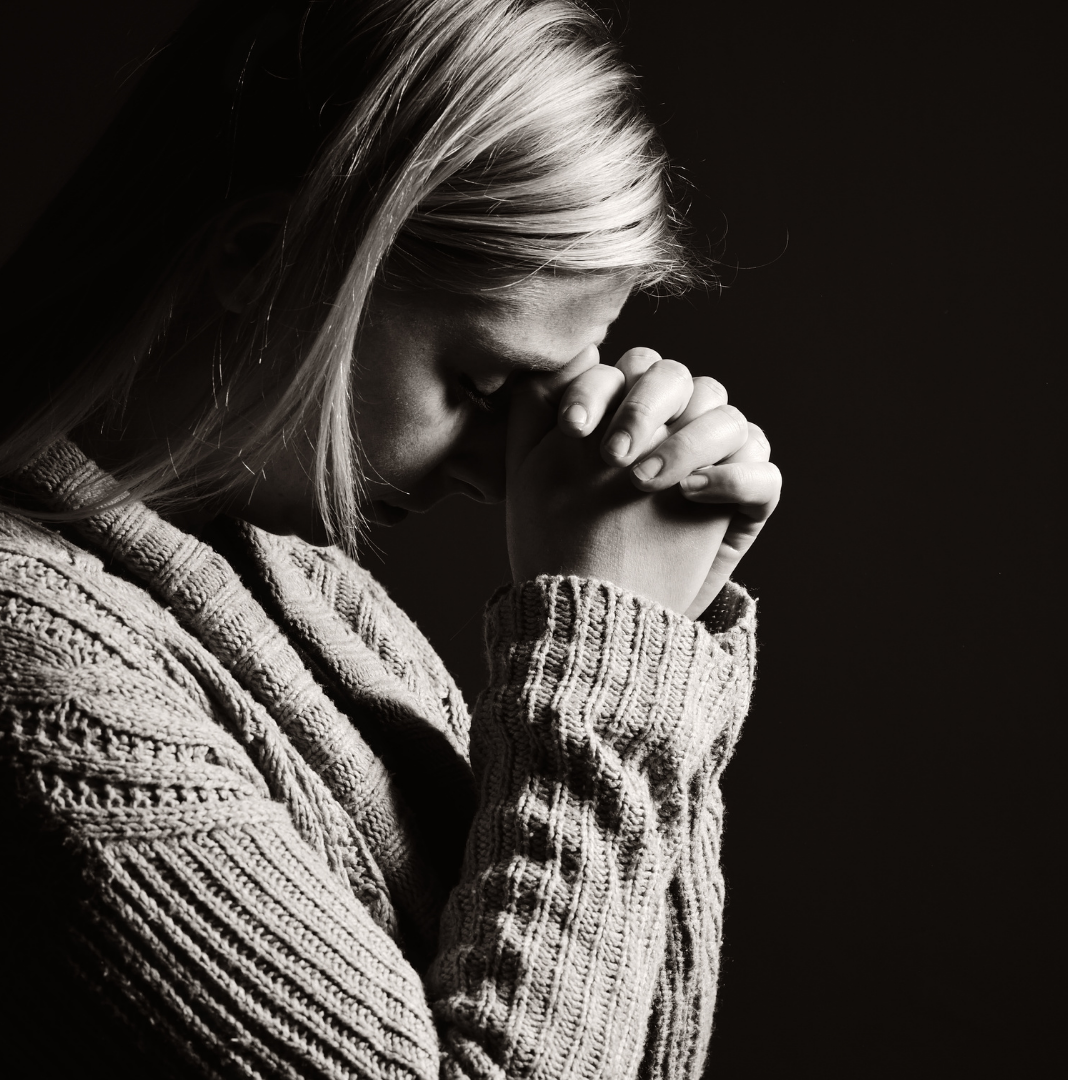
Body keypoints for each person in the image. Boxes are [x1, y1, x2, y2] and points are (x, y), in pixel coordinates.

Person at [0, 1, 781, 1077]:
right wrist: (613, 663)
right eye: (482, 384)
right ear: (261, 256)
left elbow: (639, 1051)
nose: (492, 468)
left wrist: (661, 640)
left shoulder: (315, 598)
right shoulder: (33, 670)